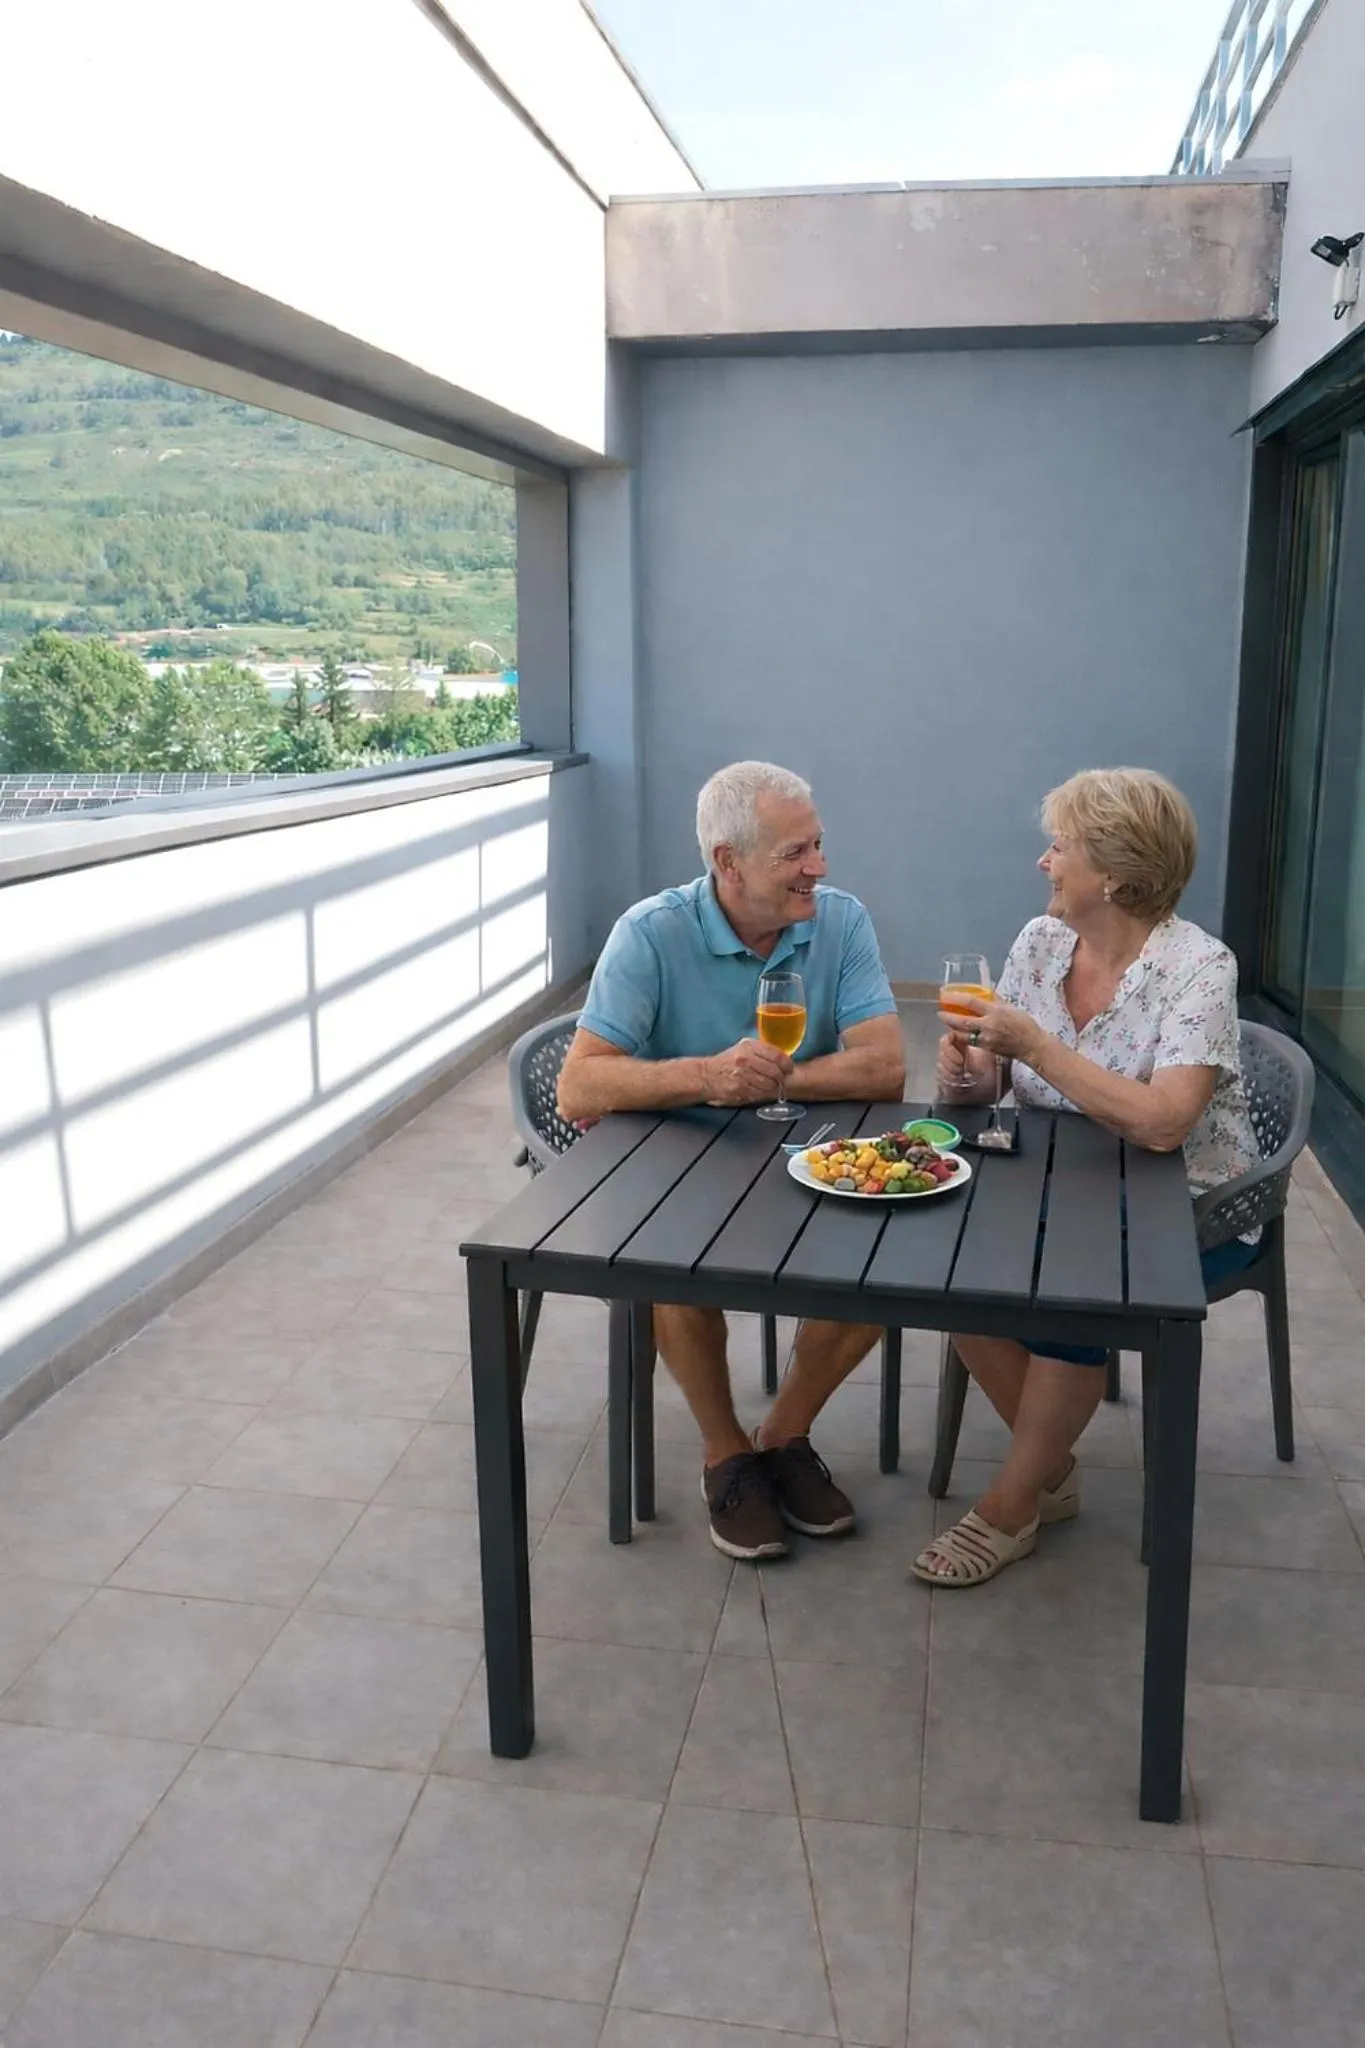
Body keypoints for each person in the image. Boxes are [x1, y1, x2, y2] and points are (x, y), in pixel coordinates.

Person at [912, 766, 1259, 1589]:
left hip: (1185, 1208)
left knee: (1071, 1295)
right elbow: (1004, 1086)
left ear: (1114, 873)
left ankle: (1010, 1506)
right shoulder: (1040, 943)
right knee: (941, 1263)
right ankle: (1050, 1470)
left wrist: (1035, 1047)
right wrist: (969, 1076)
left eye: (1058, 845)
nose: (1043, 861)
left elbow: (1164, 1121)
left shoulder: (1197, 969)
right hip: (1059, 1185)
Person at [557, 760, 905, 1561]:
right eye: (794, 853)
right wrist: (707, 1078)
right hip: (671, 1158)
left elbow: (885, 1067)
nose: (817, 866)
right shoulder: (650, 932)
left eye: (817, 845)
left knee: (893, 1254)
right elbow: (580, 1084)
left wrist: (771, 1080)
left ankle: (783, 1435)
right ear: (727, 861)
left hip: (801, 1156)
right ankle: (726, 1455)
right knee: (675, 1261)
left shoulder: (840, 921)